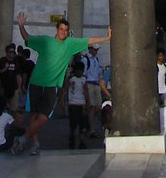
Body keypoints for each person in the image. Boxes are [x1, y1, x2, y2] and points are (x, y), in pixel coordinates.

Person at [12, 11, 111, 156]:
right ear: (56, 30)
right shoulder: (45, 41)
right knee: (34, 115)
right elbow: (27, 38)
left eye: (65, 30)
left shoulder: (69, 44)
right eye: (61, 29)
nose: (63, 32)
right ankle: (34, 144)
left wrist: (107, 37)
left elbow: (88, 40)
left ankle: (23, 139)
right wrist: (20, 25)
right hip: (36, 83)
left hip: (52, 86)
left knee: (44, 117)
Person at [83, 43, 104, 137]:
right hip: (89, 83)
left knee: (98, 106)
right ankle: (92, 129)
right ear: (90, 49)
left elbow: (98, 73)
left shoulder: (96, 59)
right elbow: (83, 73)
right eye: (94, 49)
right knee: (91, 107)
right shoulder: (85, 59)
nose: (96, 51)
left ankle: (89, 123)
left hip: (96, 83)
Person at [67, 59, 88, 148]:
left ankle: (82, 141)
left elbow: (86, 91)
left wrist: (87, 103)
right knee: (73, 123)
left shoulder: (84, 79)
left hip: (81, 103)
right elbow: (65, 88)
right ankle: (72, 137)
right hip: (73, 104)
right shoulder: (71, 79)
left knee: (82, 124)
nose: (79, 72)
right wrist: (62, 100)